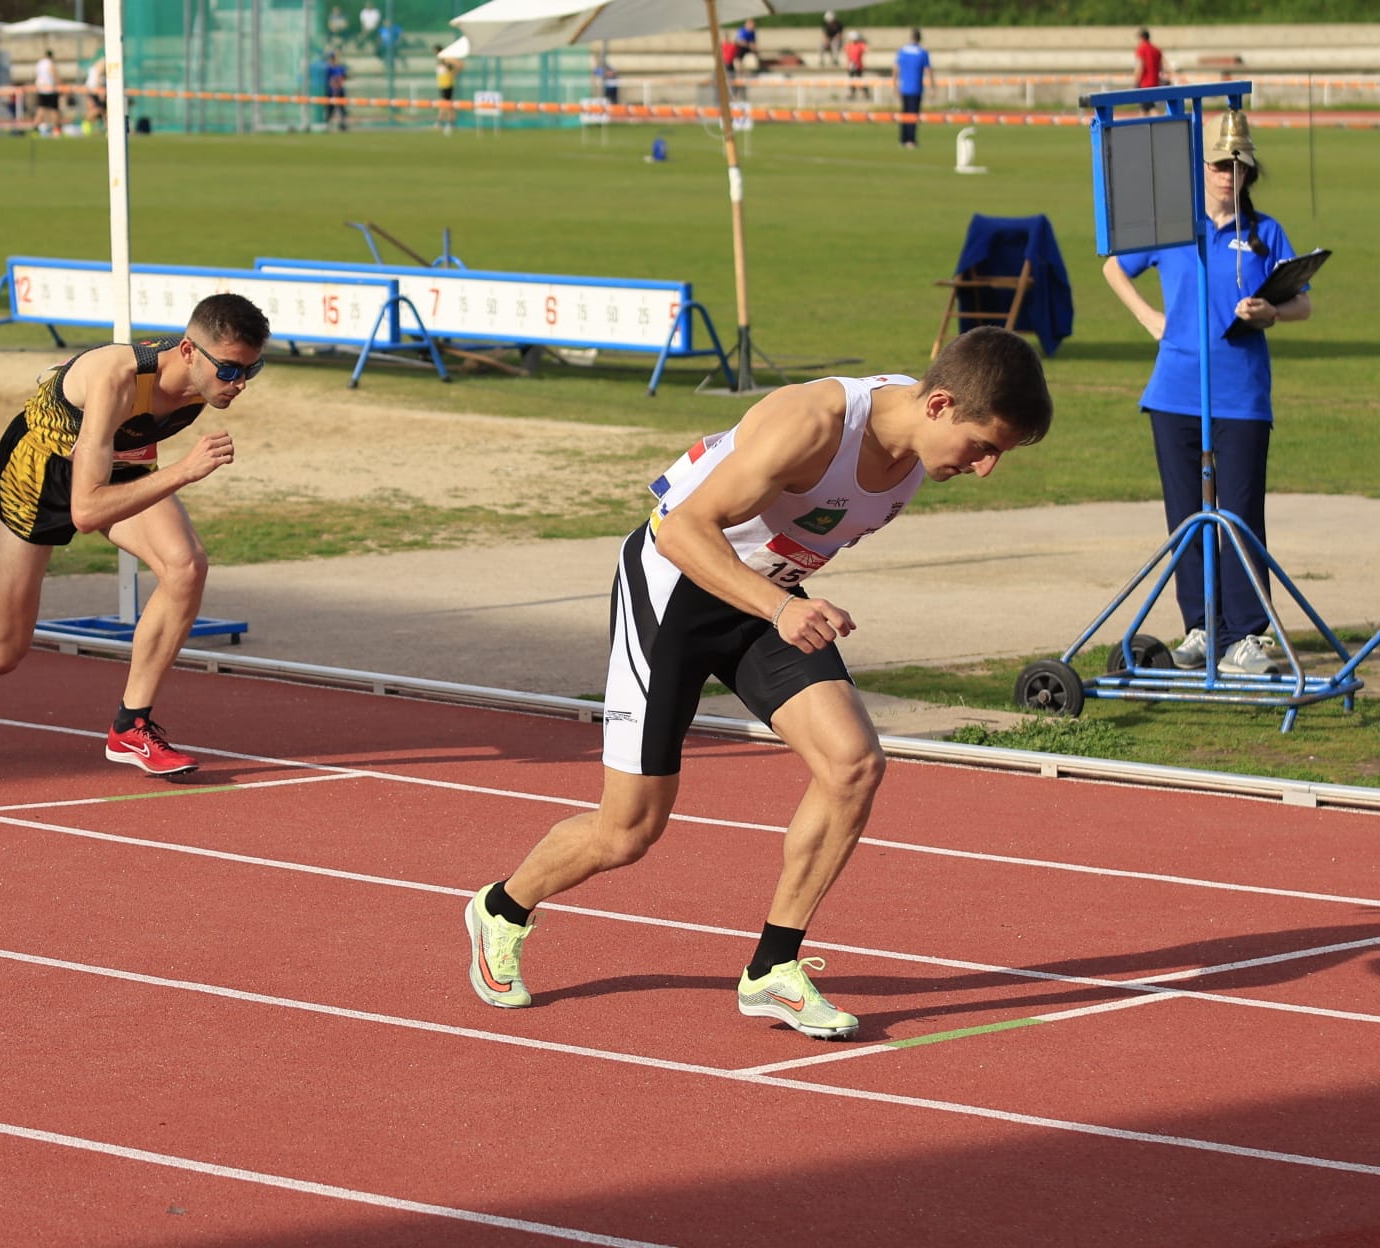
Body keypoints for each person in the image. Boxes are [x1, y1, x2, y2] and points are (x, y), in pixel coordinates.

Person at [463, 326, 1053, 1041]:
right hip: (677, 591)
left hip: (766, 603)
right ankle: (503, 907)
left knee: (854, 764)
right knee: (628, 832)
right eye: (983, 446)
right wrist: (781, 606)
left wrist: (778, 602)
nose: (986, 469)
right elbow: (678, 529)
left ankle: (773, 970)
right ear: (940, 405)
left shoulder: (917, 442)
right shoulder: (812, 423)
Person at [0, 295, 271, 772]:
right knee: (2, 649)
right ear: (189, 351)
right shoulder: (117, 378)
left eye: (251, 370)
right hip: (38, 474)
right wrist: (184, 471)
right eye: (230, 371)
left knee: (186, 566)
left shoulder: (201, 381)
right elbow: (85, 511)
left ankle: (131, 727)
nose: (239, 384)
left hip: (117, 463)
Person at [1101, 111, 1311, 677]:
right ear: (1203, 169)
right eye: (1219, 164)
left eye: (1238, 164)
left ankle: (1246, 634)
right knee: (1186, 517)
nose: (1228, 173)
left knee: (1240, 514)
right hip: (1173, 393)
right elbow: (1113, 266)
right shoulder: (1175, 227)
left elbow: (1303, 301)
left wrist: (1273, 311)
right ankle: (1200, 628)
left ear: (1250, 171)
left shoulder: (1265, 232)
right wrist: (1150, 317)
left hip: (1241, 394)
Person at [894, 28, 935, 149]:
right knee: (913, 115)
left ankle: (902, 138)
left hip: (904, 87)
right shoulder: (922, 52)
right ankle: (910, 139)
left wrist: (894, 84)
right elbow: (928, 70)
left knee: (904, 113)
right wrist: (932, 86)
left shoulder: (902, 51)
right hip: (916, 87)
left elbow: (896, 68)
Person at [1134, 29, 1165, 114]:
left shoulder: (1141, 49)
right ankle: (1143, 126)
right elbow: (1161, 67)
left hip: (1145, 83)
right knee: (1144, 108)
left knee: (1150, 108)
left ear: (1142, 37)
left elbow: (1140, 66)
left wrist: (1136, 81)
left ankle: (1160, 125)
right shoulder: (1156, 50)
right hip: (1155, 82)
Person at [34, 48, 63, 135]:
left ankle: (36, 126)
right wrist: (60, 85)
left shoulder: (39, 63)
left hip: (40, 88)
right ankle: (57, 128)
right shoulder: (49, 63)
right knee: (54, 109)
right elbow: (53, 74)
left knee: (41, 108)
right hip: (50, 88)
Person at [434, 46, 461, 132]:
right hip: (442, 85)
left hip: (447, 85)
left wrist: (453, 73)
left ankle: (441, 122)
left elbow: (459, 65)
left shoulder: (446, 59)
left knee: (445, 104)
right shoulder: (440, 61)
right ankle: (450, 122)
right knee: (447, 105)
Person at [323, 51, 349, 131]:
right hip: (331, 91)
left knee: (341, 109)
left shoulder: (340, 67)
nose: (331, 60)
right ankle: (327, 125)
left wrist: (338, 85)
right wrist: (334, 87)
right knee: (330, 109)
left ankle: (342, 124)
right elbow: (330, 80)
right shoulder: (329, 68)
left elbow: (343, 77)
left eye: (332, 58)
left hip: (340, 91)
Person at [85, 55, 109, 132]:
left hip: (93, 89)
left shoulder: (101, 62)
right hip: (95, 90)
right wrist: (100, 91)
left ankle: (108, 129)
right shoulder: (104, 62)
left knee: (104, 110)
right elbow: (98, 76)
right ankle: (86, 124)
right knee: (98, 109)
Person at [844, 30, 868, 101]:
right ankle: (852, 93)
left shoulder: (860, 45)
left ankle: (864, 93)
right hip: (851, 65)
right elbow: (847, 55)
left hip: (858, 65)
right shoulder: (849, 45)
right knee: (851, 80)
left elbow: (866, 50)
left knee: (860, 79)